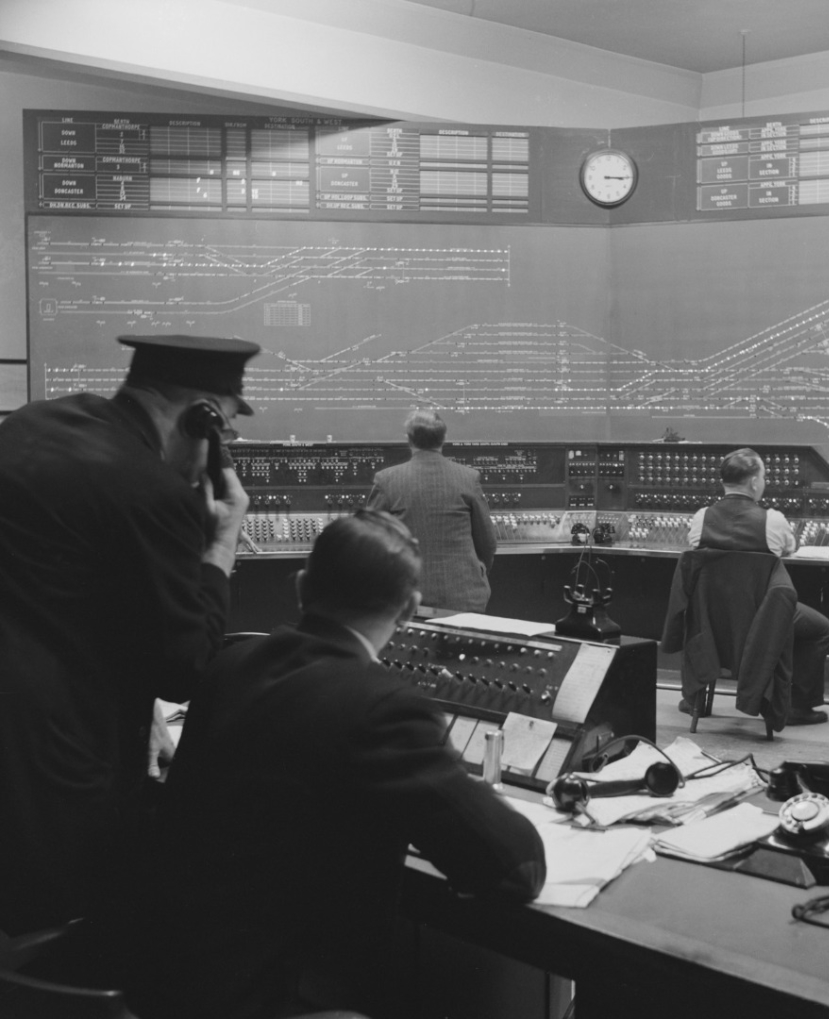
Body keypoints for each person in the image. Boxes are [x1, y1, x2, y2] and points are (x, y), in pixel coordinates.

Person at [127, 510, 545, 1019]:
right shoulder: (384, 705)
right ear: (410, 609)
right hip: (279, 1000)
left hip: (164, 987)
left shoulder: (227, 668)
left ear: (302, 587)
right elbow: (512, 866)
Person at [0, 333, 257, 936]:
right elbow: (184, 664)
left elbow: (66, 598)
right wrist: (219, 546)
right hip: (53, 763)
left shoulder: (31, 425)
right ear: (205, 416)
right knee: (58, 930)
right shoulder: (152, 489)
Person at [683, 447, 829, 725]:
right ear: (754, 482)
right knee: (821, 628)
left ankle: (694, 697)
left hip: (712, 621)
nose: (764, 482)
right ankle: (797, 706)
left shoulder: (701, 518)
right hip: (761, 619)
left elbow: (697, 556)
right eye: (763, 477)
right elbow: (789, 549)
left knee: (704, 615)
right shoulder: (772, 521)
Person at [365, 408, 497, 612]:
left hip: (408, 601)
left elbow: (368, 543)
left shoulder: (387, 480)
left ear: (409, 439)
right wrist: (478, 571)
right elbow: (487, 542)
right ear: (443, 438)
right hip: (466, 599)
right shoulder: (468, 478)